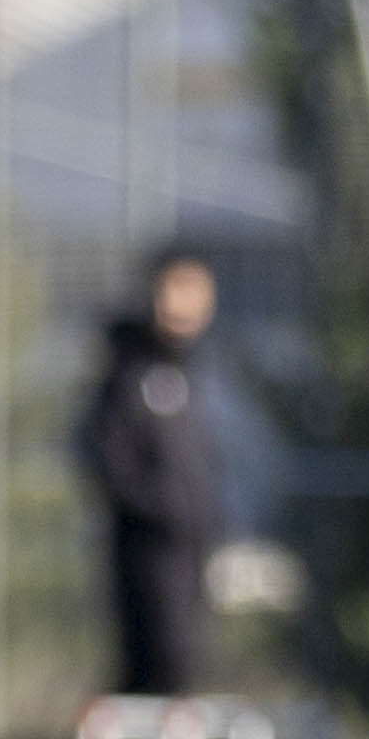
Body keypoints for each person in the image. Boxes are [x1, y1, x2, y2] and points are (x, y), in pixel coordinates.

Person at [78, 249, 225, 699]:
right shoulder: (129, 369)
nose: (185, 303)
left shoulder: (199, 370)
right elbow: (107, 457)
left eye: (197, 291)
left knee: (183, 670)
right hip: (146, 550)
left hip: (194, 546)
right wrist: (162, 510)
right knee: (156, 668)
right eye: (176, 288)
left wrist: (207, 518)